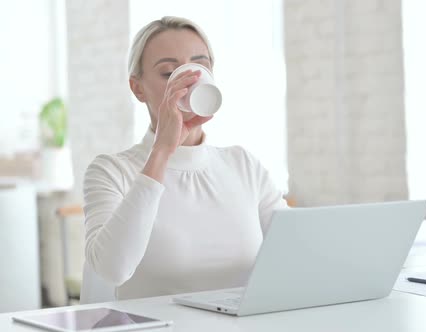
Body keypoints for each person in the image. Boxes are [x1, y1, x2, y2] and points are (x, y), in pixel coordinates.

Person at [83, 16, 287, 300]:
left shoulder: (243, 165)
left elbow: (297, 248)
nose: (190, 82)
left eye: (200, 67)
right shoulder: (111, 171)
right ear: (138, 88)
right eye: (169, 73)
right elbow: (112, 269)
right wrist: (163, 150)